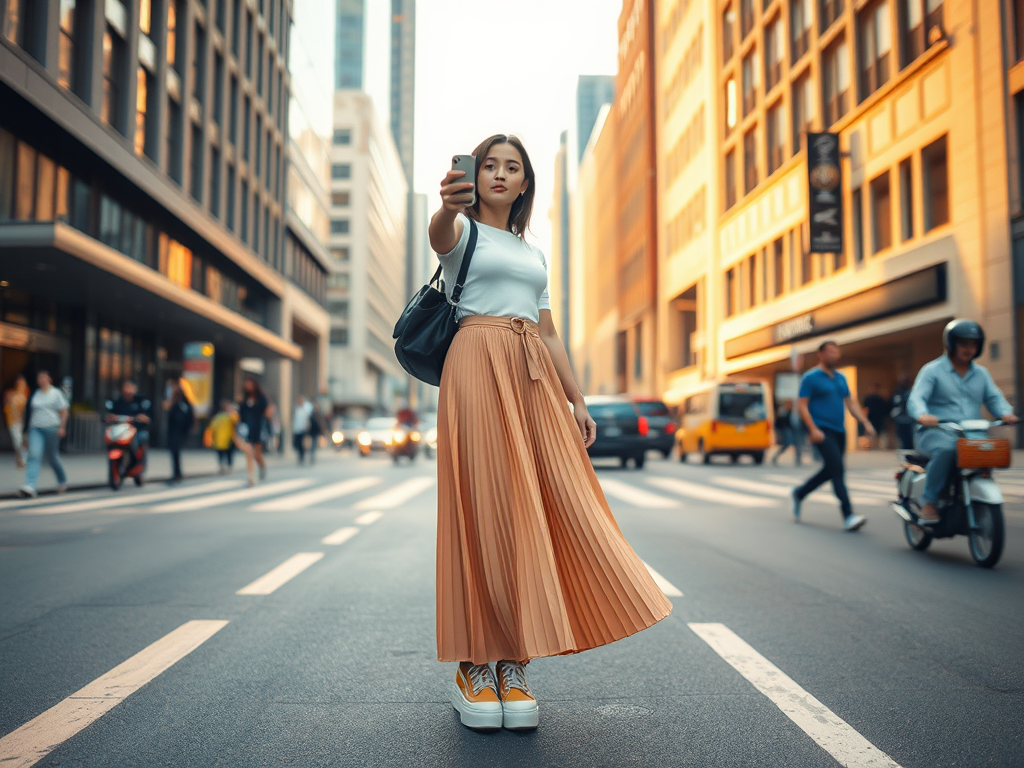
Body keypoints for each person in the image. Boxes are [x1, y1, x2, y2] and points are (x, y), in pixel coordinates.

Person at [431, 134, 671, 732]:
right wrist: (446, 206)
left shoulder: (532, 255)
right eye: (490, 165)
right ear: (475, 175)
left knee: (537, 507)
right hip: (476, 364)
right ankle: (473, 665)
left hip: (531, 375)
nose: (500, 175)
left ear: (524, 183)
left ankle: (514, 661)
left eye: (512, 167)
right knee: (483, 508)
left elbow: (550, 332)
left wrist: (578, 399)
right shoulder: (462, 232)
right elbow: (439, 238)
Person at [907, 320, 1018, 524]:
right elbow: (916, 398)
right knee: (948, 449)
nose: (969, 349)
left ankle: (974, 494)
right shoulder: (932, 370)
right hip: (936, 432)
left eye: (974, 344)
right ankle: (928, 502)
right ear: (951, 344)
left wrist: (1005, 413)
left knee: (989, 450)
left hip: (971, 434)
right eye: (964, 344)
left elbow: (994, 398)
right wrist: (922, 414)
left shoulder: (981, 374)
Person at [790, 341, 876, 531]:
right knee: (838, 470)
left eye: (836, 352)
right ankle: (848, 515)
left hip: (839, 430)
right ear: (820, 354)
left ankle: (799, 493)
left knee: (831, 469)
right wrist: (812, 429)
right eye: (830, 352)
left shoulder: (840, 378)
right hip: (821, 430)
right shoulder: (810, 377)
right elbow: (802, 405)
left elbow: (851, 403)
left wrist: (865, 422)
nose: (835, 356)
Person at [19, 371, 69, 497]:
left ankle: (62, 480)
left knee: (52, 457)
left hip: (52, 428)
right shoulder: (36, 394)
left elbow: (64, 411)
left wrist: (62, 427)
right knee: (34, 455)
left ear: (49, 379)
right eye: (39, 378)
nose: (41, 380)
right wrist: (28, 430)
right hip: (36, 428)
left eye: (44, 377)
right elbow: (31, 413)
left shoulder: (56, 393)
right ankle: (30, 486)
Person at [105, 380, 152, 475]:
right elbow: (108, 414)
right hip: (120, 430)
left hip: (136, 430)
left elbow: (149, 417)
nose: (127, 390)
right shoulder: (117, 402)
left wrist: (143, 418)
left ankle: (138, 462)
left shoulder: (141, 402)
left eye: (130, 387)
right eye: (125, 387)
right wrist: (110, 417)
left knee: (141, 438)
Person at [236, 376, 273, 485]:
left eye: (250, 384)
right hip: (247, 429)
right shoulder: (244, 398)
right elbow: (240, 413)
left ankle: (262, 467)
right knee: (248, 452)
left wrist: (269, 413)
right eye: (246, 384)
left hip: (258, 429)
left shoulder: (261, 398)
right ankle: (250, 477)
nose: (248, 386)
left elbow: (266, 413)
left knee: (257, 454)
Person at [163, 379, 195, 484]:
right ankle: (176, 474)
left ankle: (177, 474)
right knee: (173, 453)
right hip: (173, 431)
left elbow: (186, 418)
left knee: (176, 452)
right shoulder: (173, 402)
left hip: (179, 432)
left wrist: (186, 430)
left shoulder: (183, 403)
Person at [4, 375, 29, 468]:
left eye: (22, 383)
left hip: (23, 421)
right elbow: (7, 407)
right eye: (19, 383)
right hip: (13, 421)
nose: (21, 385)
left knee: (24, 440)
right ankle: (20, 460)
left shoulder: (26, 395)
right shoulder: (11, 394)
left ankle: (22, 459)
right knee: (17, 440)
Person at [208, 401, 238, 473]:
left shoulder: (218, 417)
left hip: (223, 438)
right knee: (227, 453)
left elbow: (212, 427)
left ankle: (224, 466)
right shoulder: (230, 416)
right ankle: (227, 466)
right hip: (227, 438)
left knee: (223, 453)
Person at [771, 399, 803, 466]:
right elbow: (778, 423)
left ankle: (798, 460)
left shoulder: (792, 413)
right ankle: (775, 457)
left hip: (794, 431)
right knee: (787, 445)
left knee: (798, 445)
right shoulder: (783, 413)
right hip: (786, 431)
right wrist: (779, 433)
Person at [889, 376, 915, 450]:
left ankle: (905, 450)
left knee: (904, 439)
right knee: (907, 440)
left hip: (900, 418)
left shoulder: (897, 393)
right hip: (906, 418)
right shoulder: (908, 394)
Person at [862, 384, 891, 449]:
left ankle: (874, 445)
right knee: (875, 431)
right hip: (875, 417)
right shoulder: (874, 398)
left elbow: (866, 409)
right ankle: (874, 445)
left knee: (876, 432)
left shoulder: (876, 398)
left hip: (876, 417)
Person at [292, 395, 314, 465]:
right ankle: (300, 455)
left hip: (304, 429)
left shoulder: (307, 407)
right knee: (297, 443)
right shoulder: (296, 408)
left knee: (303, 444)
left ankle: (303, 456)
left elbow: (311, 416)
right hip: (297, 429)